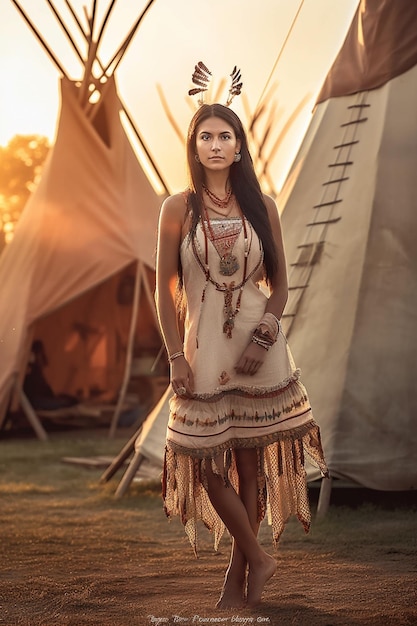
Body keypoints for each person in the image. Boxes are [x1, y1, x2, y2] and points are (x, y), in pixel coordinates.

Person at [155, 90, 328, 609]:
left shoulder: (263, 206)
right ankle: (259, 555)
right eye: (205, 136)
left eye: (224, 136)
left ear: (238, 147)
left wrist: (263, 337)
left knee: (250, 468)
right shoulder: (176, 208)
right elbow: (163, 288)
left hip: (260, 348)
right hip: (202, 350)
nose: (214, 144)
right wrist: (174, 356)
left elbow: (279, 288)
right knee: (209, 465)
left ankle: (238, 578)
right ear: (193, 146)